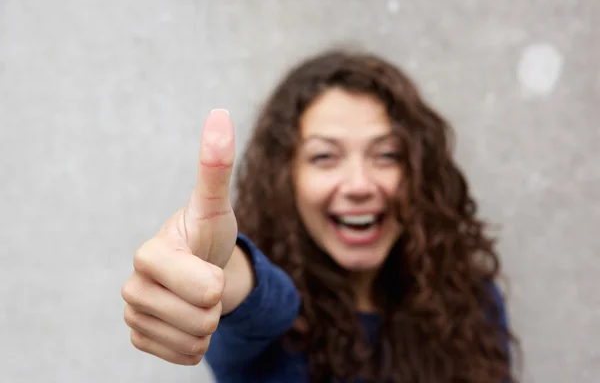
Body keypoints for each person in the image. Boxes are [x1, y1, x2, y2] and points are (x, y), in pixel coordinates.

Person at [121, 50, 519, 382]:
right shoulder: (273, 320)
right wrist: (219, 266)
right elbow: (258, 297)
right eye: (325, 157)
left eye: (386, 155)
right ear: (285, 179)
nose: (359, 184)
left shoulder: (472, 301)